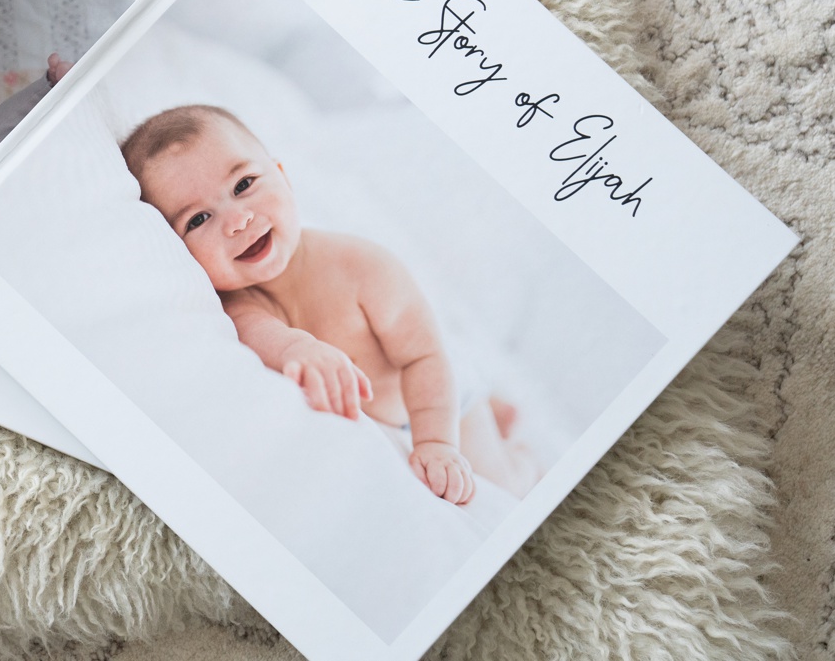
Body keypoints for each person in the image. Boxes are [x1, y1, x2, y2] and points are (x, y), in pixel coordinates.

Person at [122, 104, 539, 502]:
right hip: (388, 408)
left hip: (441, 396)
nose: (237, 220)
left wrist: (435, 442)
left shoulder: (362, 266)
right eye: (197, 220)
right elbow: (267, 337)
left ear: (284, 177)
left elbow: (425, 356)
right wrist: (302, 349)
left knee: (502, 486)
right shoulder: (237, 303)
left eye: (243, 185)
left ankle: (522, 456)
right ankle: (497, 411)